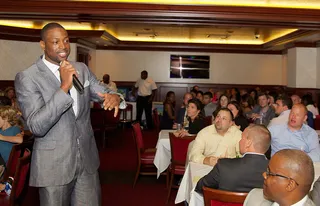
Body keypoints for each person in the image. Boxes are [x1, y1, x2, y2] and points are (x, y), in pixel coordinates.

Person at [14, 22, 125, 206]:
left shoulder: (80, 69)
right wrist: (64, 87)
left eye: (66, 40)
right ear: (43, 44)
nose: (63, 46)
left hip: (87, 163)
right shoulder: (28, 77)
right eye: (55, 42)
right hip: (54, 166)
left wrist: (115, 97)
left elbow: (104, 92)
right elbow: (36, 126)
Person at [195, 124, 270, 194]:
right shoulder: (274, 172)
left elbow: (200, 187)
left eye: (242, 138)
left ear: (248, 143)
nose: (240, 141)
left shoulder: (224, 166)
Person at [244, 149, 315, 206]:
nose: (264, 175)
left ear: (290, 185)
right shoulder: (255, 197)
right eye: (267, 170)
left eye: (270, 173)